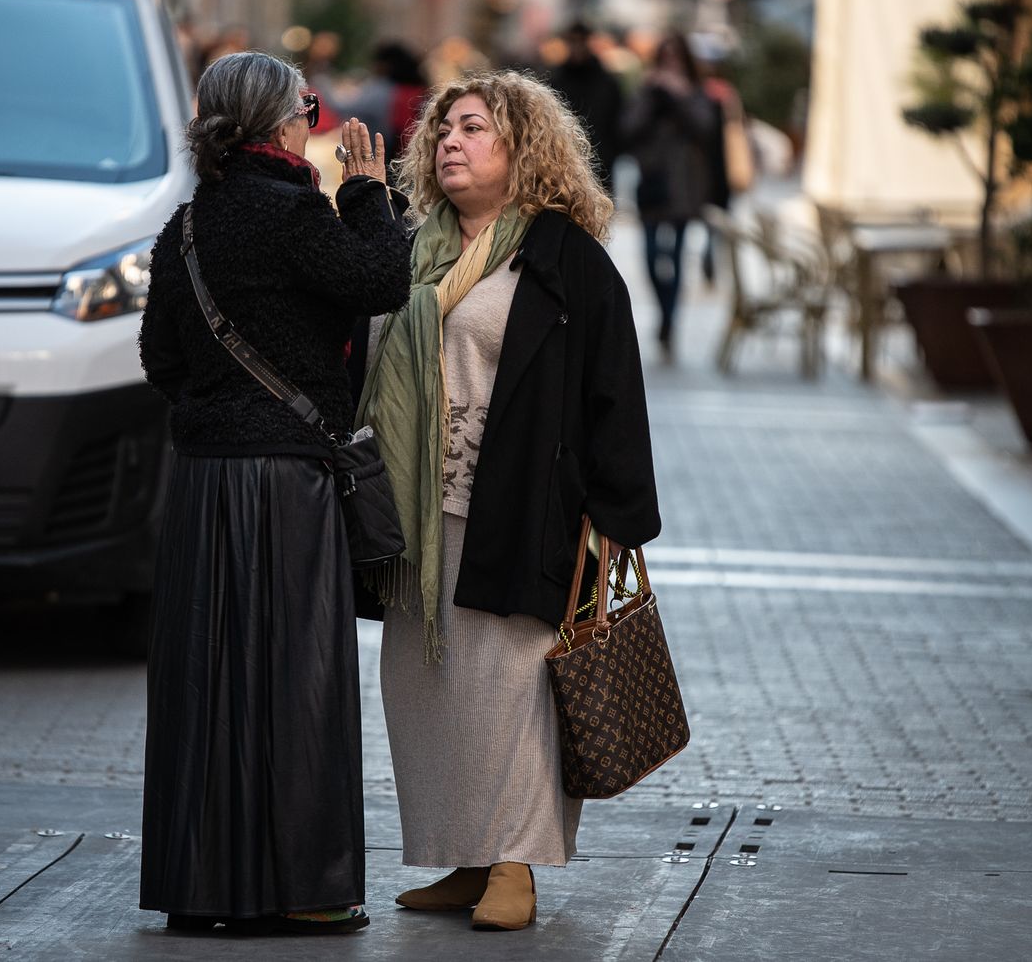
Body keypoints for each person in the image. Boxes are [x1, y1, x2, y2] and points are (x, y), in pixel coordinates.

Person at [357, 71, 661, 931]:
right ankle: (465, 855)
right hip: (417, 516)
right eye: (443, 130)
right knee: (430, 688)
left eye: (474, 128)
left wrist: (617, 519)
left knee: (510, 690)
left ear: (523, 149)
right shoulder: (414, 250)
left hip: (521, 507)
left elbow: (614, 389)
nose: (449, 141)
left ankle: (516, 866)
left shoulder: (566, 260)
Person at [136, 51, 410, 935]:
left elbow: (161, 360)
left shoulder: (187, 225)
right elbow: (383, 282)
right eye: (309, 107)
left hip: (204, 483)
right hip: (286, 484)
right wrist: (368, 193)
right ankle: (308, 889)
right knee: (302, 682)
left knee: (204, 686)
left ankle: (203, 888)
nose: (316, 121)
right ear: (281, 122)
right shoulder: (296, 213)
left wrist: (221, 416)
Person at [622, 31, 721, 360]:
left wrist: (679, 97)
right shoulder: (648, 89)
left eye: (677, 57)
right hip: (652, 182)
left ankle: (669, 321)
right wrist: (653, 96)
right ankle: (664, 311)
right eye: (666, 57)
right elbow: (629, 128)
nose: (671, 64)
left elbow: (705, 128)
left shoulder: (696, 93)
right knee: (650, 254)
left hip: (684, 184)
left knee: (676, 256)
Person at [547, 21, 624, 193]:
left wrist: (611, 151)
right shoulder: (556, 79)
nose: (577, 47)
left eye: (580, 41)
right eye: (572, 41)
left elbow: (617, 119)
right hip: (564, 159)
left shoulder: (606, 82)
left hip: (601, 160)